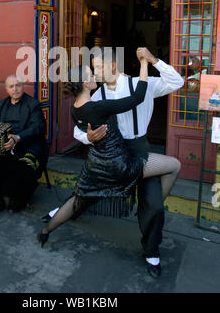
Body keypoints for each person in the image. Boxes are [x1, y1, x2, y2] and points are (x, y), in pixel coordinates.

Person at [43, 46, 184, 277]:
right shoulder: (97, 95)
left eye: (97, 67)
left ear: (112, 66)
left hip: (139, 150)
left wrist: (153, 60)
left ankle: (151, 250)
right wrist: (87, 137)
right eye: (92, 69)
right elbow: (81, 126)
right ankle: (63, 212)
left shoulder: (142, 84)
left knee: (155, 205)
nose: (94, 72)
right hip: (112, 152)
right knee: (89, 186)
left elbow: (176, 81)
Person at [0, 74, 46, 221]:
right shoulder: (2, 105)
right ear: (6, 89)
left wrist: (17, 138)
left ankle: (18, 197)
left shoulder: (33, 104)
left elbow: (37, 128)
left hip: (28, 147)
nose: (15, 89)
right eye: (11, 86)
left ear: (23, 86)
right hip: (6, 147)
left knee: (23, 168)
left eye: (18, 85)